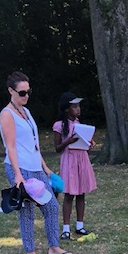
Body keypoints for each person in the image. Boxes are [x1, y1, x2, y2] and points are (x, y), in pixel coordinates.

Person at [0, 71, 72, 254]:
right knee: (27, 210)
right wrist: (17, 175)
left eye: (28, 91)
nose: (26, 96)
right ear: (10, 91)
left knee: (51, 206)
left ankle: (54, 247)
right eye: (22, 93)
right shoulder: (7, 115)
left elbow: (34, 143)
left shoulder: (26, 112)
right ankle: (30, 253)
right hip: (20, 169)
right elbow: (11, 146)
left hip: (36, 169)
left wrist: (45, 168)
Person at [53, 92, 97, 240]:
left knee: (81, 193)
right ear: (67, 109)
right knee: (69, 194)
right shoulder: (59, 125)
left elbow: (83, 142)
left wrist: (89, 144)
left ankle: (80, 225)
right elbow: (57, 148)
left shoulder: (79, 124)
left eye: (78, 106)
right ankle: (65, 228)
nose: (78, 109)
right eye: (74, 107)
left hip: (81, 159)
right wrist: (68, 141)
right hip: (69, 160)